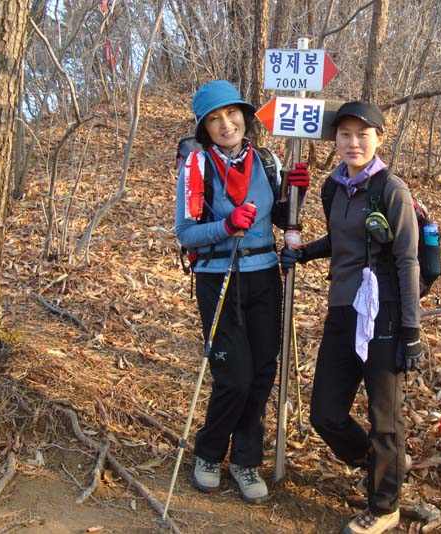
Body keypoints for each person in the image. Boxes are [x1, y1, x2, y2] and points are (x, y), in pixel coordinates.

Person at [280, 102, 422, 534]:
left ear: (379, 137)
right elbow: (341, 240)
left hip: (386, 314)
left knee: (385, 416)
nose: (353, 142)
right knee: (325, 413)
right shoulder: (333, 188)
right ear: (336, 140)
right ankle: (382, 464)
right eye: (345, 134)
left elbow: (407, 261)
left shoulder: (391, 190)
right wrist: (304, 252)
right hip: (343, 308)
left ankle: (384, 506)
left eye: (363, 134)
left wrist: (411, 331)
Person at [174, 80, 309, 504]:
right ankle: (209, 453)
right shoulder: (196, 168)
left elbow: (282, 220)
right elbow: (185, 233)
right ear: (205, 130)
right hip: (219, 278)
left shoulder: (266, 162)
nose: (226, 124)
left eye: (231, 115)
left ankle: (245, 460)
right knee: (234, 376)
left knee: (262, 374)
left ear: (244, 118)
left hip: (265, 275)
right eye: (214, 120)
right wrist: (226, 226)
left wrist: (296, 193)